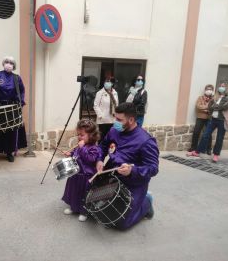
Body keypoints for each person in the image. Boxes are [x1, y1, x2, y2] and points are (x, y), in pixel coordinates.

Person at [96, 102, 159, 230]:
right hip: (111, 174)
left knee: (121, 223)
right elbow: (102, 146)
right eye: (115, 118)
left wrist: (132, 170)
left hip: (132, 182)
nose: (115, 122)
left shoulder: (146, 141)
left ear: (131, 120)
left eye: (119, 119)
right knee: (95, 206)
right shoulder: (114, 130)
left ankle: (146, 203)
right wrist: (99, 160)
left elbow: (153, 168)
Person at [62, 119, 102, 222]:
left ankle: (84, 212)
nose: (79, 137)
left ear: (92, 135)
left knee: (84, 194)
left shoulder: (94, 148)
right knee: (73, 192)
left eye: (82, 135)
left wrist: (83, 148)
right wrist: (70, 154)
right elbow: (76, 153)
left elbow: (90, 159)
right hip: (76, 173)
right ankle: (73, 208)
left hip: (86, 176)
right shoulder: (79, 146)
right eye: (78, 134)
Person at [187, 82, 228, 163]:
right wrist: (215, 107)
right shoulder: (216, 96)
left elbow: (226, 106)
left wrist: (215, 106)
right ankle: (197, 152)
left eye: (223, 86)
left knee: (219, 138)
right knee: (205, 135)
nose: (221, 87)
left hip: (222, 120)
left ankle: (216, 155)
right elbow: (210, 107)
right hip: (213, 119)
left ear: (227, 88)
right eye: (220, 86)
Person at [188, 84, 214, 154]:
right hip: (200, 117)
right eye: (207, 89)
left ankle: (208, 149)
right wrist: (207, 108)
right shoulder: (200, 98)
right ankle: (193, 147)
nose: (209, 91)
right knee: (196, 132)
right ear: (205, 90)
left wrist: (205, 108)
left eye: (210, 89)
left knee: (208, 134)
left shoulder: (213, 99)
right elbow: (198, 106)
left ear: (212, 91)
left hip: (209, 118)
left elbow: (213, 108)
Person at [93, 75, 119, 141]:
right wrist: (101, 115)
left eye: (109, 82)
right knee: (102, 138)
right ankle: (100, 151)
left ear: (112, 83)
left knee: (111, 138)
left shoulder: (115, 93)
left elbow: (117, 104)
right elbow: (95, 105)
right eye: (106, 81)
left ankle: (109, 151)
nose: (106, 83)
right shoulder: (100, 93)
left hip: (112, 119)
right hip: (103, 120)